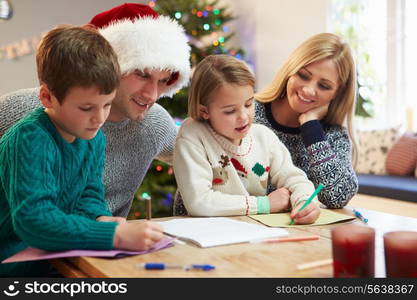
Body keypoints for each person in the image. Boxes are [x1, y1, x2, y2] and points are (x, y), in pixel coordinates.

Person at [0, 25, 164, 277]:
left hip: (57, 262)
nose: (98, 118)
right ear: (47, 97)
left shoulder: (92, 137)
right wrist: (114, 235)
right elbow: (34, 221)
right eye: (86, 107)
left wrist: (100, 218)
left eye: (106, 105)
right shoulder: (30, 138)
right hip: (14, 270)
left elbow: (89, 194)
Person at [0, 3, 191, 217]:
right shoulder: (21, 111)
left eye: (163, 81)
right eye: (142, 74)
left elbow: (200, 163)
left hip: (106, 244)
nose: (152, 95)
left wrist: (185, 217)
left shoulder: (154, 124)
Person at [173, 54, 320, 223]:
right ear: (204, 111)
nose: (243, 117)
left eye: (249, 104)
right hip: (202, 235)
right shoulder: (193, 135)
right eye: (230, 111)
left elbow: (294, 178)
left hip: (251, 230)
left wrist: (304, 202)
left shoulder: (263, 136)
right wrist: (265, 204)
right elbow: (199, 202)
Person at [254, 33, 358, 209]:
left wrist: (311, 127)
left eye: (324, 86)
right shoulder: (249, 113)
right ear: (290, 70)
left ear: (337, 93)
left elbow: (337, 197)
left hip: (301, 231)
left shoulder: (332, 135)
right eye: (303, 75)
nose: (309, 90)